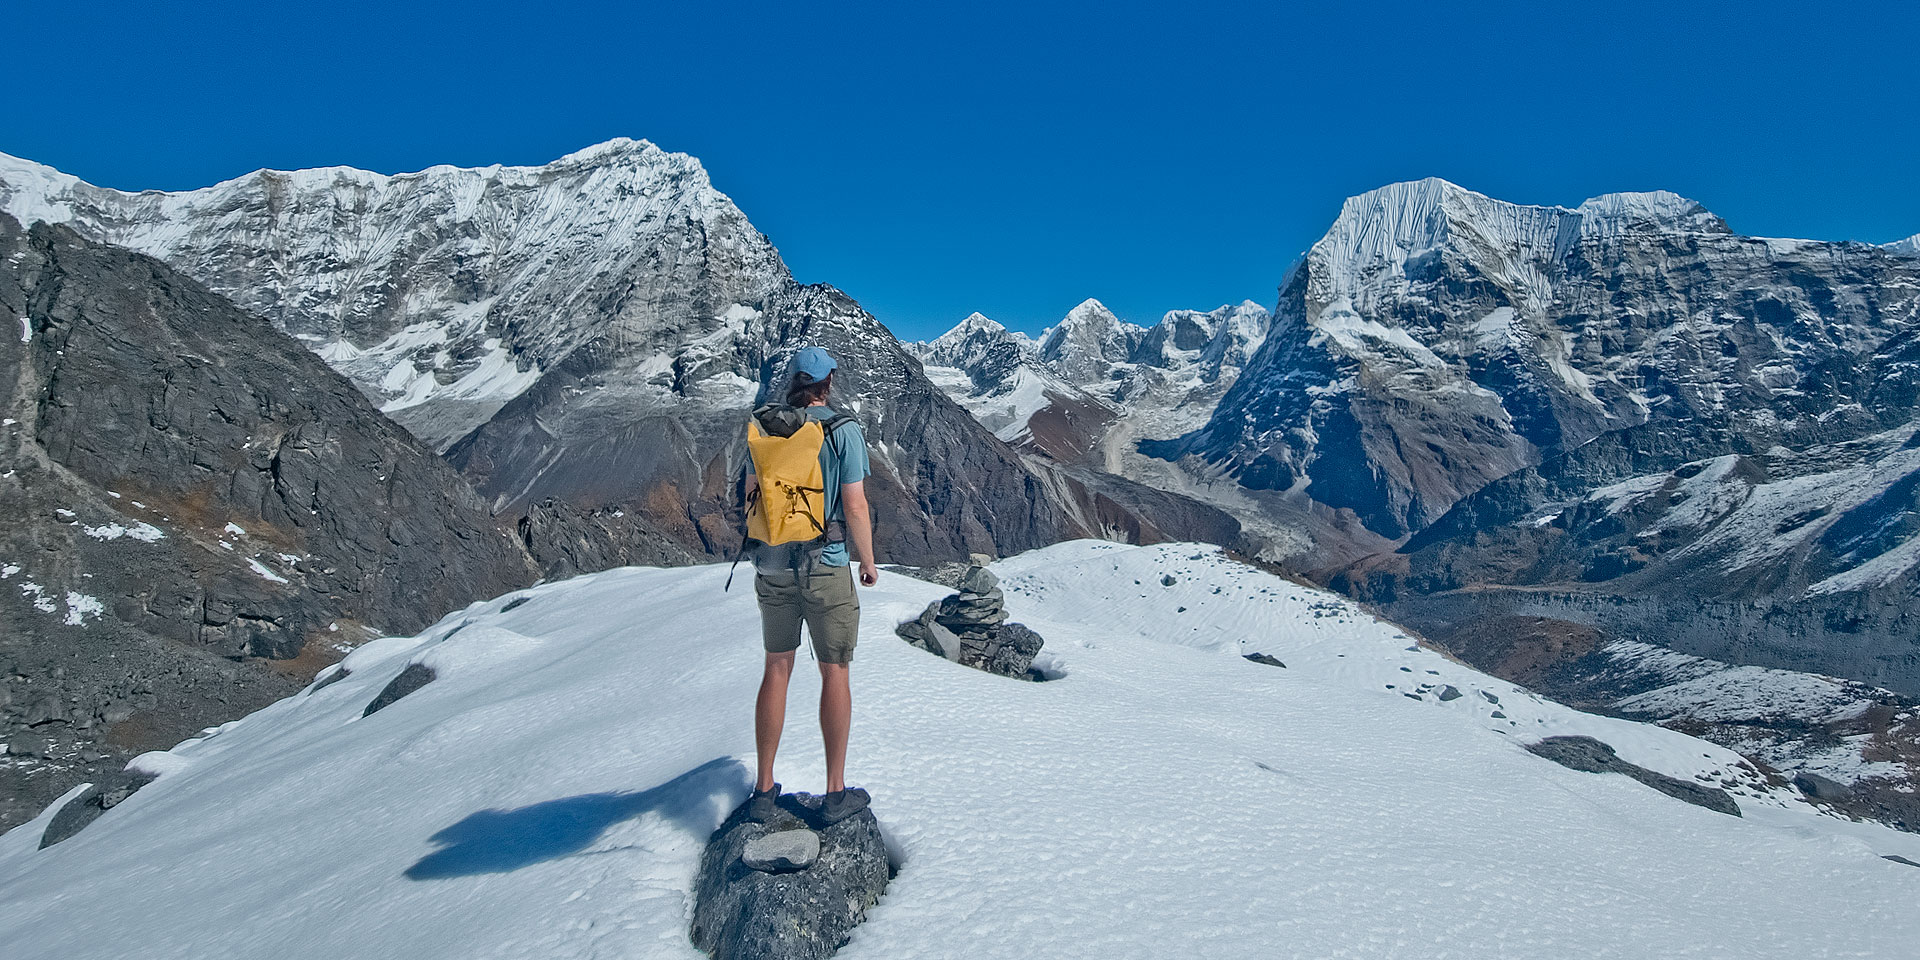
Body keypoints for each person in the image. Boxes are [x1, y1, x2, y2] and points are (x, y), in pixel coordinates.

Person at [744, 346, 878, 825]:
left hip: (773, 565)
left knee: (776, 669)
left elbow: (749, 498)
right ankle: (835, 793)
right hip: (826, 565)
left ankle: (763, 789)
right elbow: (856, 506)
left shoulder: (766, 429)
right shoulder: (842, 431)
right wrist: (867, 561)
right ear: (828, 382)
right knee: (834, 671)